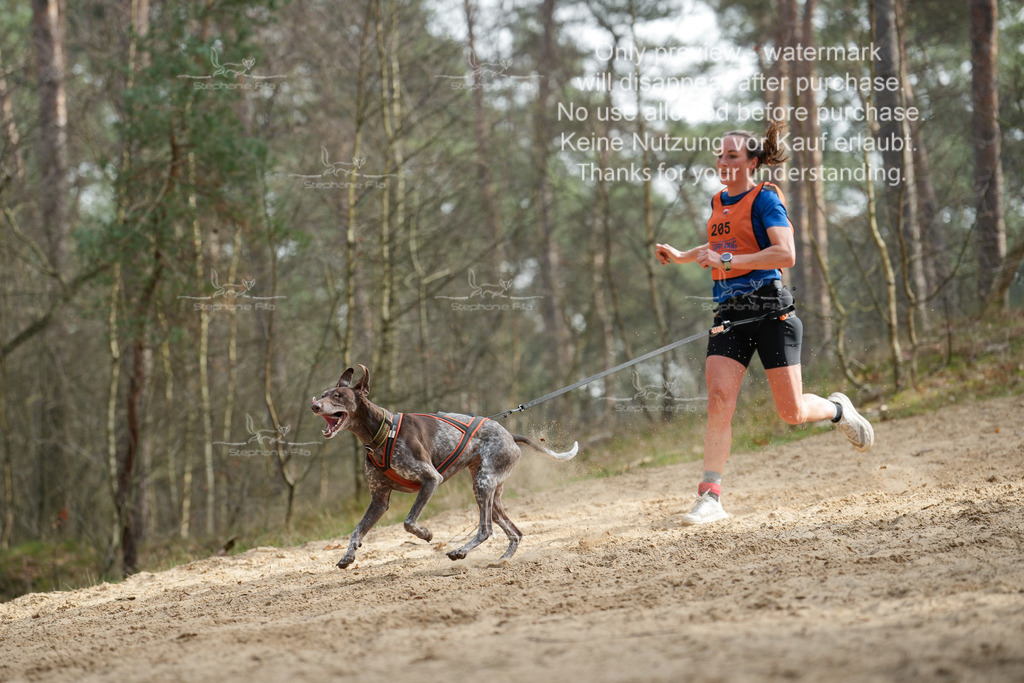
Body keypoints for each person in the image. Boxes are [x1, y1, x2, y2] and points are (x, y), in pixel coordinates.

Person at [654, 121, 874, 525]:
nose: (723, 162)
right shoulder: (718, 201)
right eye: (720, 155)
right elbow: (723, 248)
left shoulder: (765, 197)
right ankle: (710, 496)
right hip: (729, 316)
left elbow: (784, 253)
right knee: (720, 402)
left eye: (732, 156)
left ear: (752, 162)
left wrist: (727, 262)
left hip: (771, 311)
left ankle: (839, 411)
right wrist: (683, 255)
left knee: (791, 413)